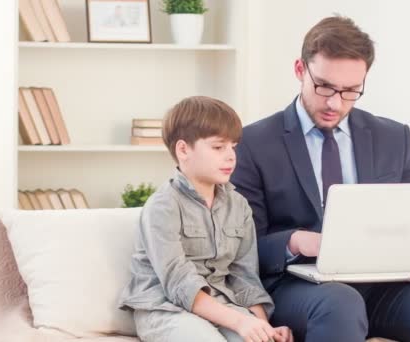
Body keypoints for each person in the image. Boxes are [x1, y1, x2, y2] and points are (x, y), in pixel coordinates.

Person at [230, 16, 410, 342]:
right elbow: (242, 248)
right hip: (298, 288)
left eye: (350, 91)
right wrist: (295, 241)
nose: (334, 103)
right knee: (340, 305)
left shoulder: (394, 137)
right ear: (299, 70)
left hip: (384, 287)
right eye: (324, 86)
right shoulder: (253, 142)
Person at [119, 96, 293, 342]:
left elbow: (245, 277)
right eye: (218, 147)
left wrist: (262, 328)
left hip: (222, 304)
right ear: (183, 150)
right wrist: (240, 321)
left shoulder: (239, 205)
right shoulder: (162, 206)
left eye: (233, 146)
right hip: (165, 309)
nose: (231, 156)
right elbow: (179, 283)